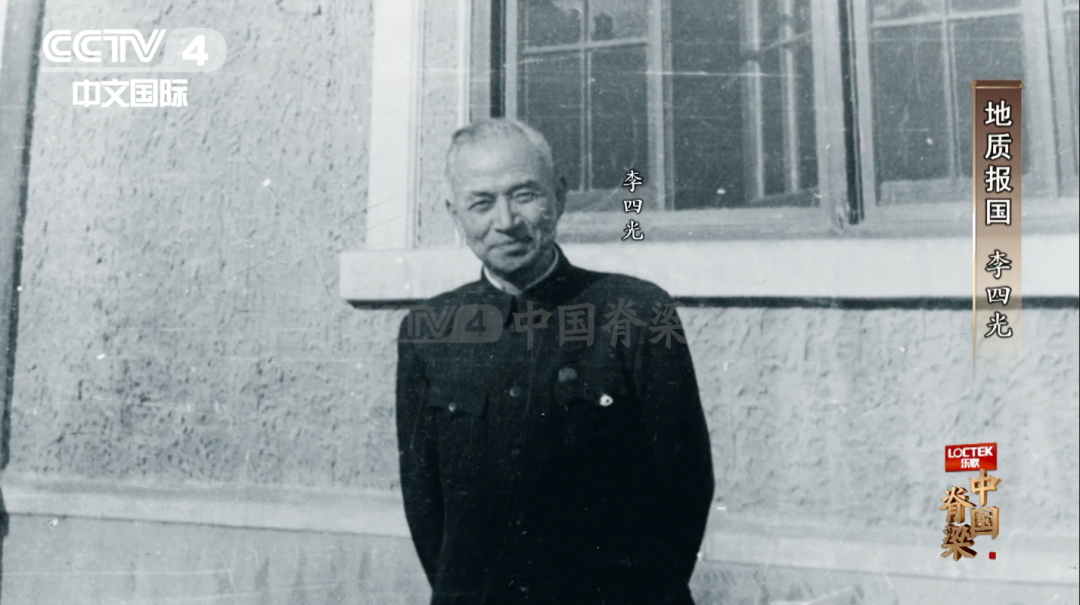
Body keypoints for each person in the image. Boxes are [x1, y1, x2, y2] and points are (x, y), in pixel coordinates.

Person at [395, 118, 714, 605]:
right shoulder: (428, 329)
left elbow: (684, 485)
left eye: (524, 195)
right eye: (482, 203)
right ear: (454, 214)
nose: (506, 220)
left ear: (559, 197)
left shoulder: (638, 313)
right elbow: (424, 502)